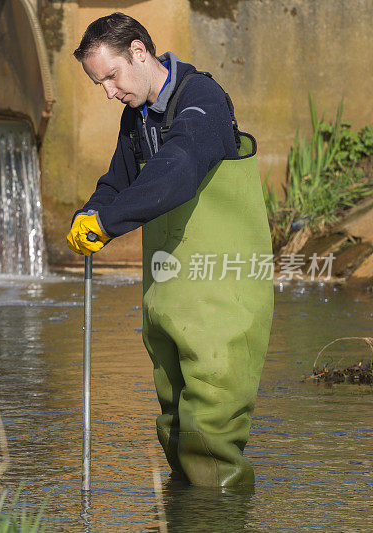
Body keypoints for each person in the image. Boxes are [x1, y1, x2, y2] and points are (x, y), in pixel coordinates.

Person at [66, 13, 274, 487]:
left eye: (112, 77)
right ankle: (186, 512)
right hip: (172, 297)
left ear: (139, 52)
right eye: (99, 83)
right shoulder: (135, 118)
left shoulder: (201, 99)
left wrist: (109, 223)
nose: (108, 92)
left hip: (224, 292)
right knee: (175, 426)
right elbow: (119, 182)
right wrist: (89, 214)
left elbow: (178, 170)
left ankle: (220, 516)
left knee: (212, 430)